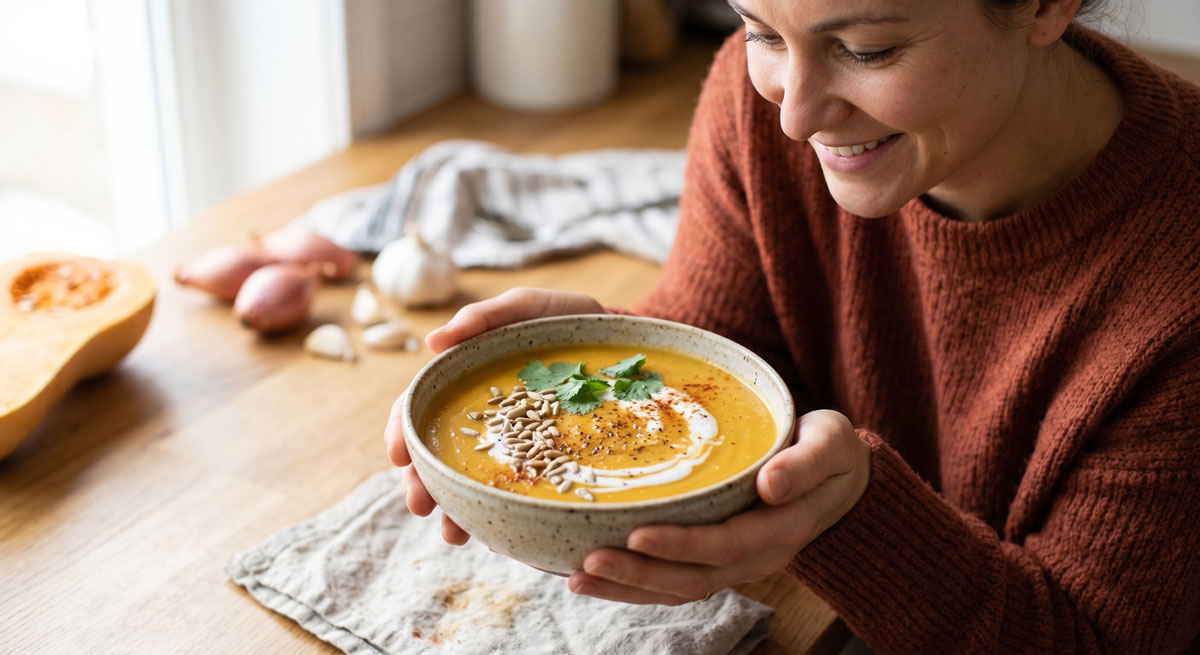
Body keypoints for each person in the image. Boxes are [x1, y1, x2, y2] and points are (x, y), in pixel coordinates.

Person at [384, 0, 1200, 651]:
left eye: (869, 50)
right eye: (758, 29)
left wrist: (852, 513)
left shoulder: (1182, 288)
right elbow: (736, 357)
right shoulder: (754, 101)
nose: (796, 118)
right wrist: (619, 348)